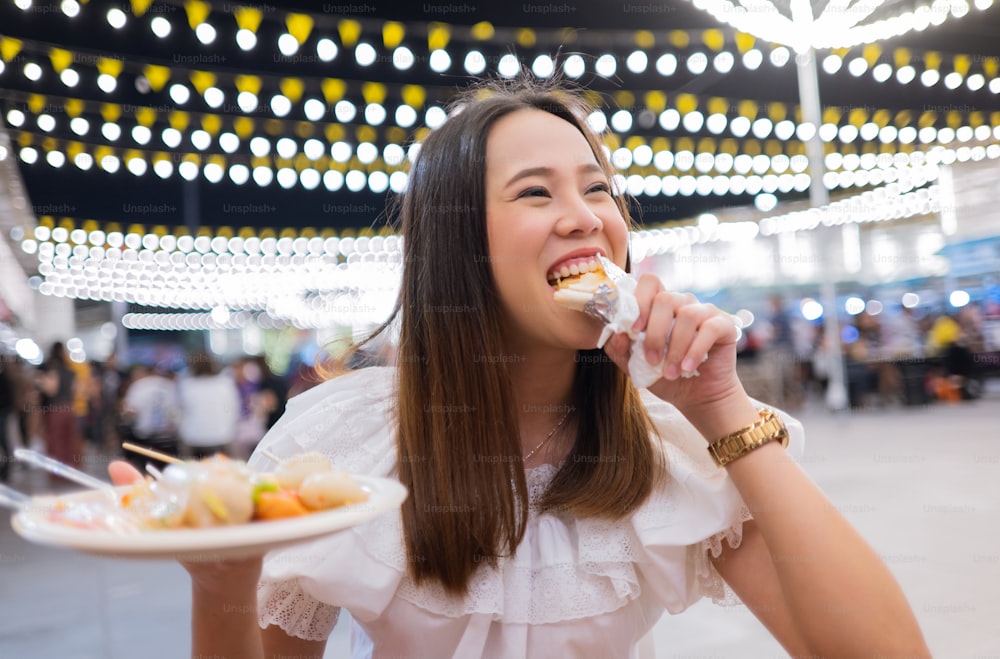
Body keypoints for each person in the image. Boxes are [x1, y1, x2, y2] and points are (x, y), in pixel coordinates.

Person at [111, 79, 930, 658]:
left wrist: (721, 406)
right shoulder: (343, 439)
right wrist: (222, 582)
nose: (585, 218)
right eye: (536, 193)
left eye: (599, 190)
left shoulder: (665, 446)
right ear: (459, 245)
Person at [176, 356, 241, 459]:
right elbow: (234, 409)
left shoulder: (186, 385)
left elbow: (179, 411)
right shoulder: (225, 384)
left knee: (191, 471)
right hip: (222, 436)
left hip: (193, 437)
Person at [38, 342, 82, 468]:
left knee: (56, 442)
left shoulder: (52, 370)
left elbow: (51, 390)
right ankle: (72, 469)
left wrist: (41, 383)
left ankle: (58, 472)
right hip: (69, 408)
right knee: (71, 441)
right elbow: (77, 390)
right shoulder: (71, 371)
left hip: (55, 409)